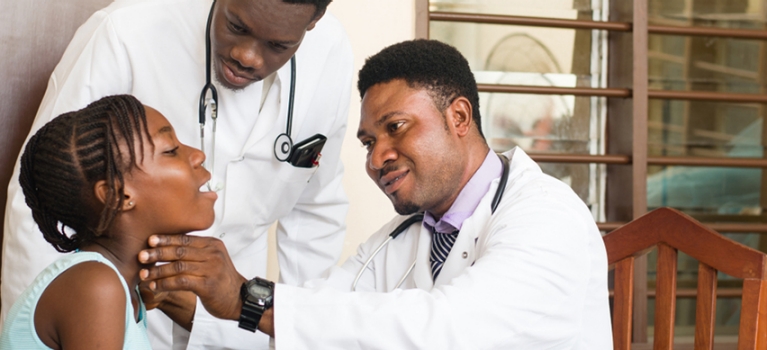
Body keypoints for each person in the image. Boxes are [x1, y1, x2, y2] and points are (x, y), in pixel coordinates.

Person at [138, 39, 613, 349]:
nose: (376, 157)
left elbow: (448, 331)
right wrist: (193, 299)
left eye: (396, 128)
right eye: (368, 142)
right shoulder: (402, 236)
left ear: (460, 118)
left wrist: (248, 296)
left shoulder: (547, 216)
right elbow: (314, 324)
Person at [1, 0, 352, 348]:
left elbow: (315, 213)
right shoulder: (126, 31)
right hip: (123, 308)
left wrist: (292, 329)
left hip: (231, 320)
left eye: (278, 45)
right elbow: (58, 173)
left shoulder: (330, 54)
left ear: (314, 21)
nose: (248, 56)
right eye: (237, 26)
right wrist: (50, 321)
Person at [0, 95, 216, 349]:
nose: (198, 155)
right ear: (118, 196)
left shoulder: (123, 289)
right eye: (170, 150)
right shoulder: (96, 286)